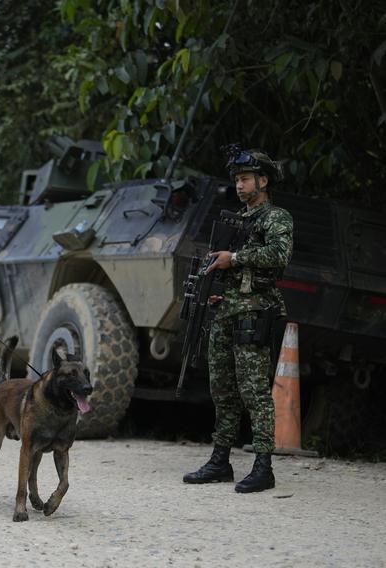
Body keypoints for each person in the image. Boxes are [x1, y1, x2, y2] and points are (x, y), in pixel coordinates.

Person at [183, 146, 293, 493]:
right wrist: (219, 287)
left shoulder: (276, 217)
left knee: (255, 392)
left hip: (255, 312)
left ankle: (263, 465)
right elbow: (229, 266)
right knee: (223, 390)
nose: (240, 186)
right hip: (227, 310)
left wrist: (236, 257)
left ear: (263, 180)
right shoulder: (237, 220)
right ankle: (220, 461)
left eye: (245, 179)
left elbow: (279, 255)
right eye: (237, 181)